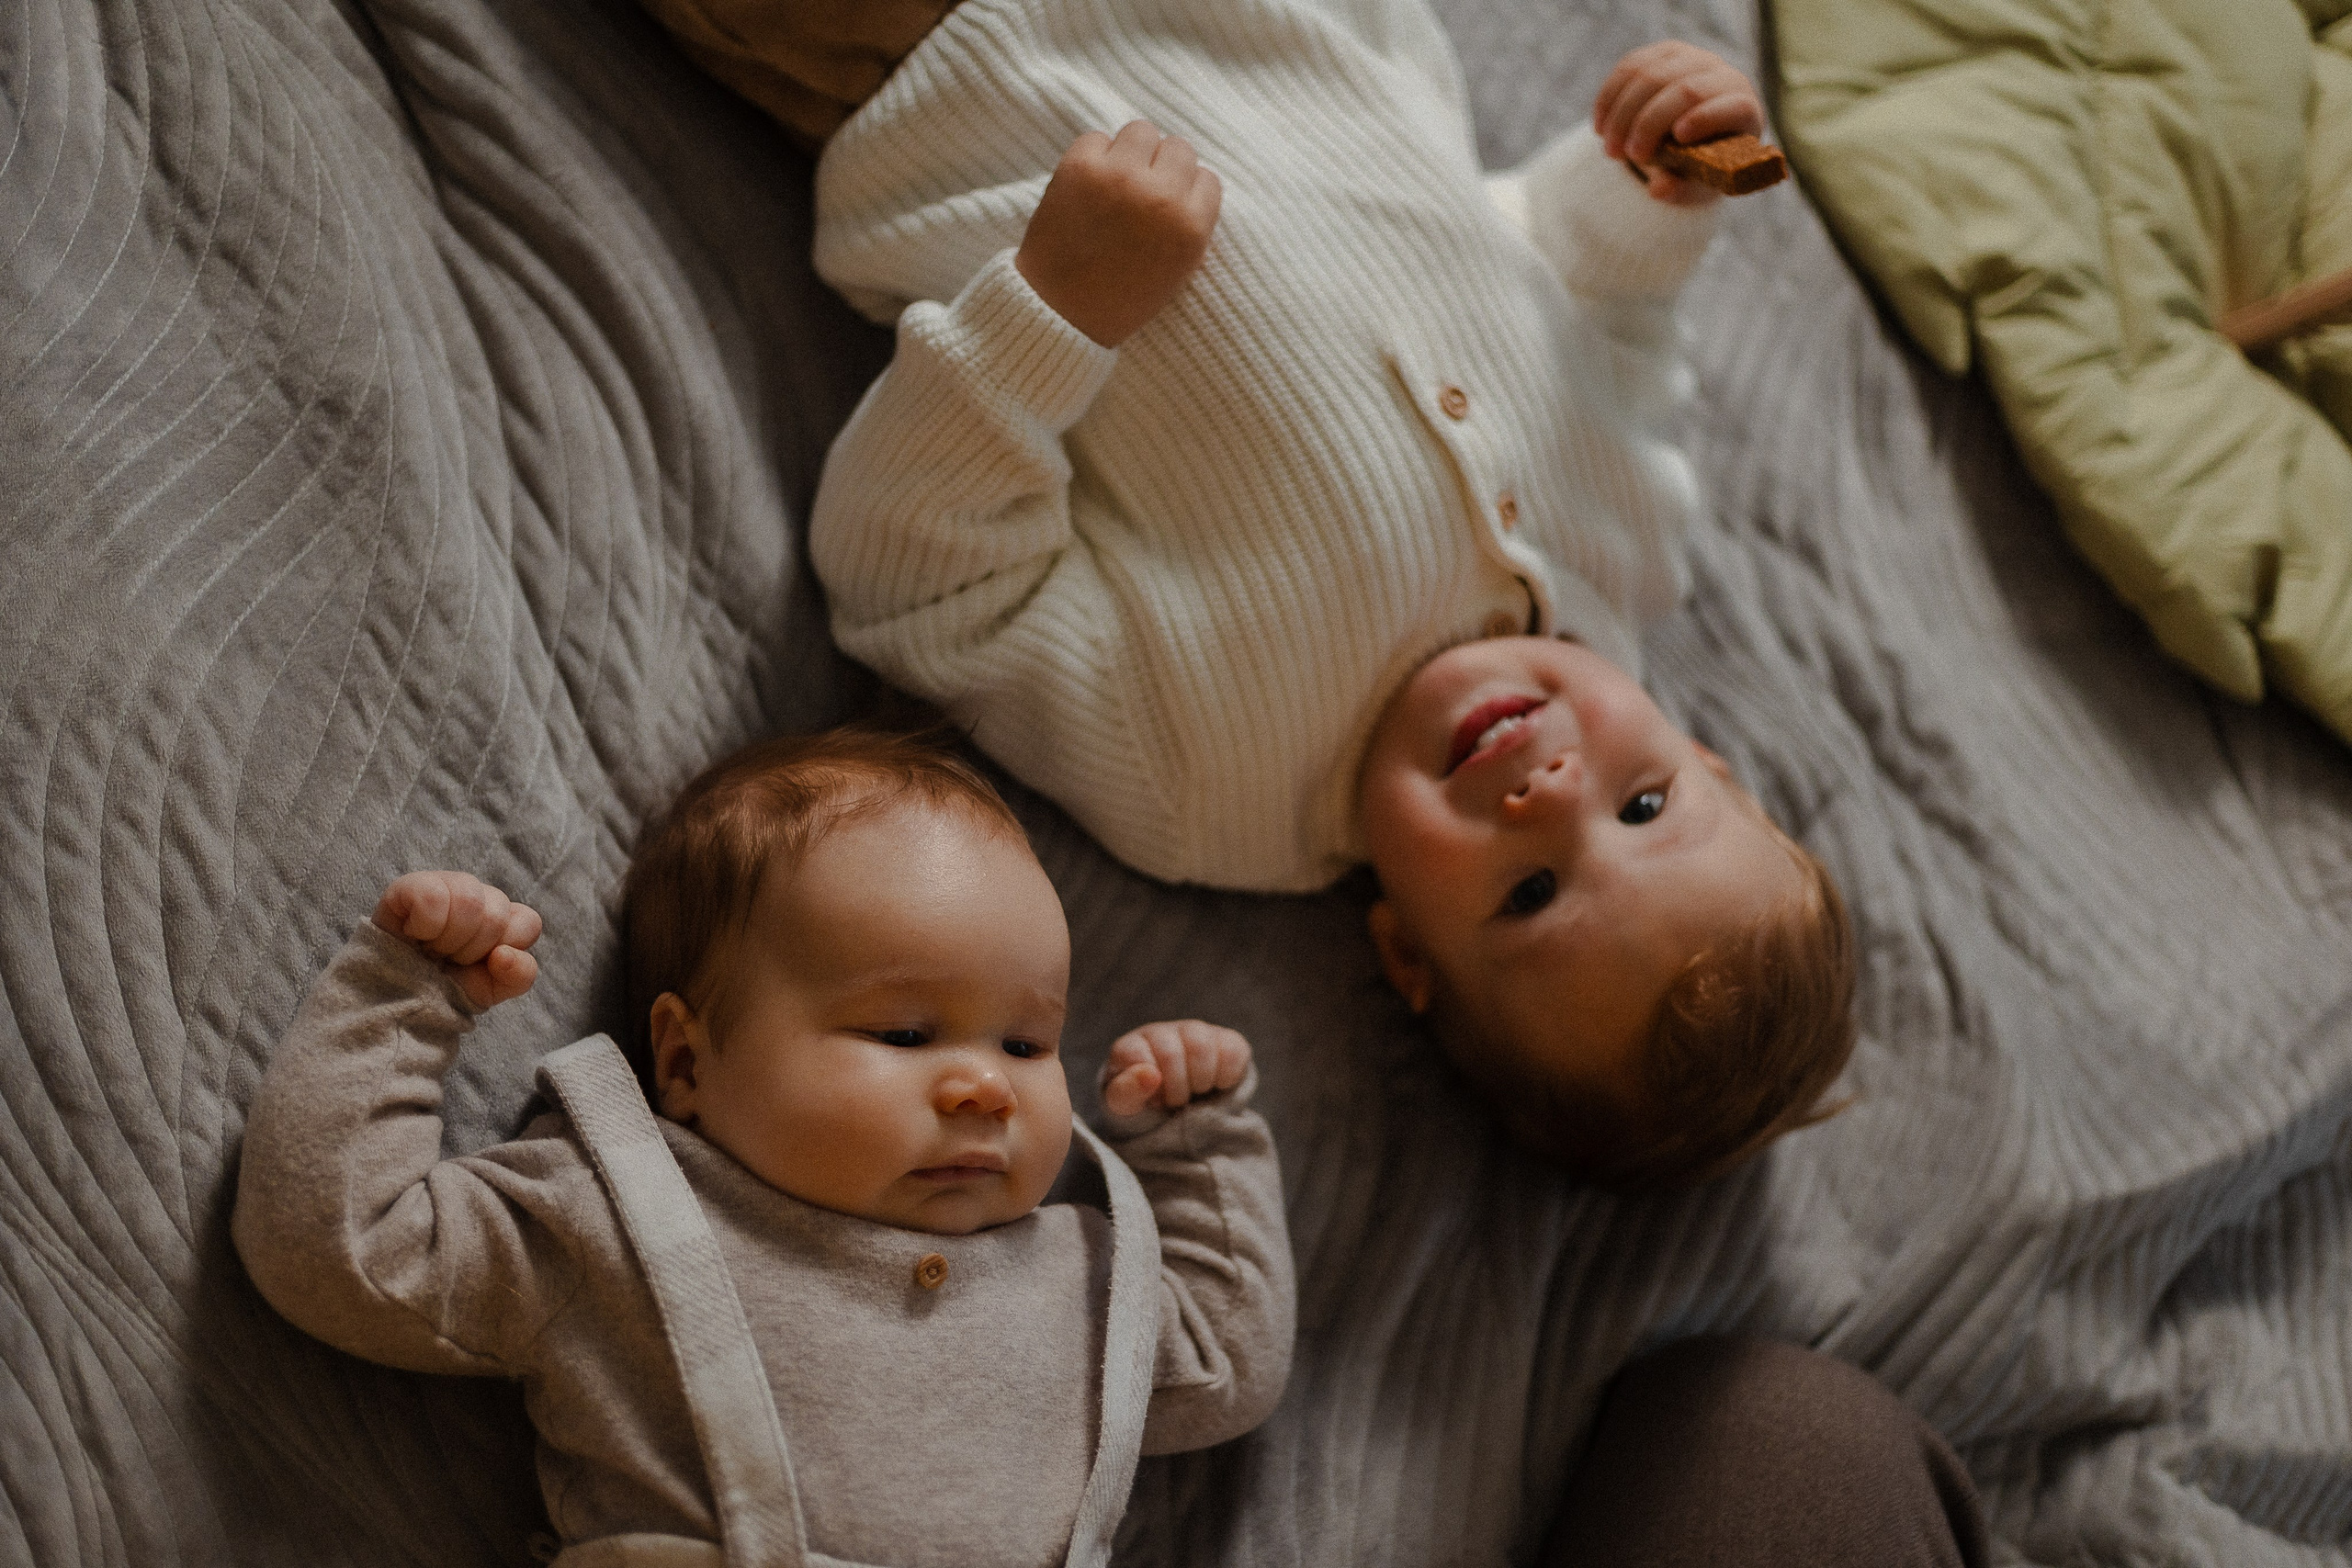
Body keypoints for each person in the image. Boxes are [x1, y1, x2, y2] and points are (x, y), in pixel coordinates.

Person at [786, 0, 1853, 1188]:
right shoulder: (1635, 543)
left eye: (1531, 892)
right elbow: (1589, 297)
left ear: (1408, 955)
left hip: (941, 74)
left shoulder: (1209, 784)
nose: (1549, 793)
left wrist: (1052, 308)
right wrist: (1653, 185)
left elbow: (924, 585)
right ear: (1706, 758)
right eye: (1644, 804)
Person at [232, 728, 1295, 1566]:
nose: (986, 1087)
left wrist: (1198, 1142)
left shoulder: (1075, 1277)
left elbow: (1226, 1364)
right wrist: (404, 1003)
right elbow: (342, 1249)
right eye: (904, 1035)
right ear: (685, 1063)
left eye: (1026, 1043)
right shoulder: (617, 1213)